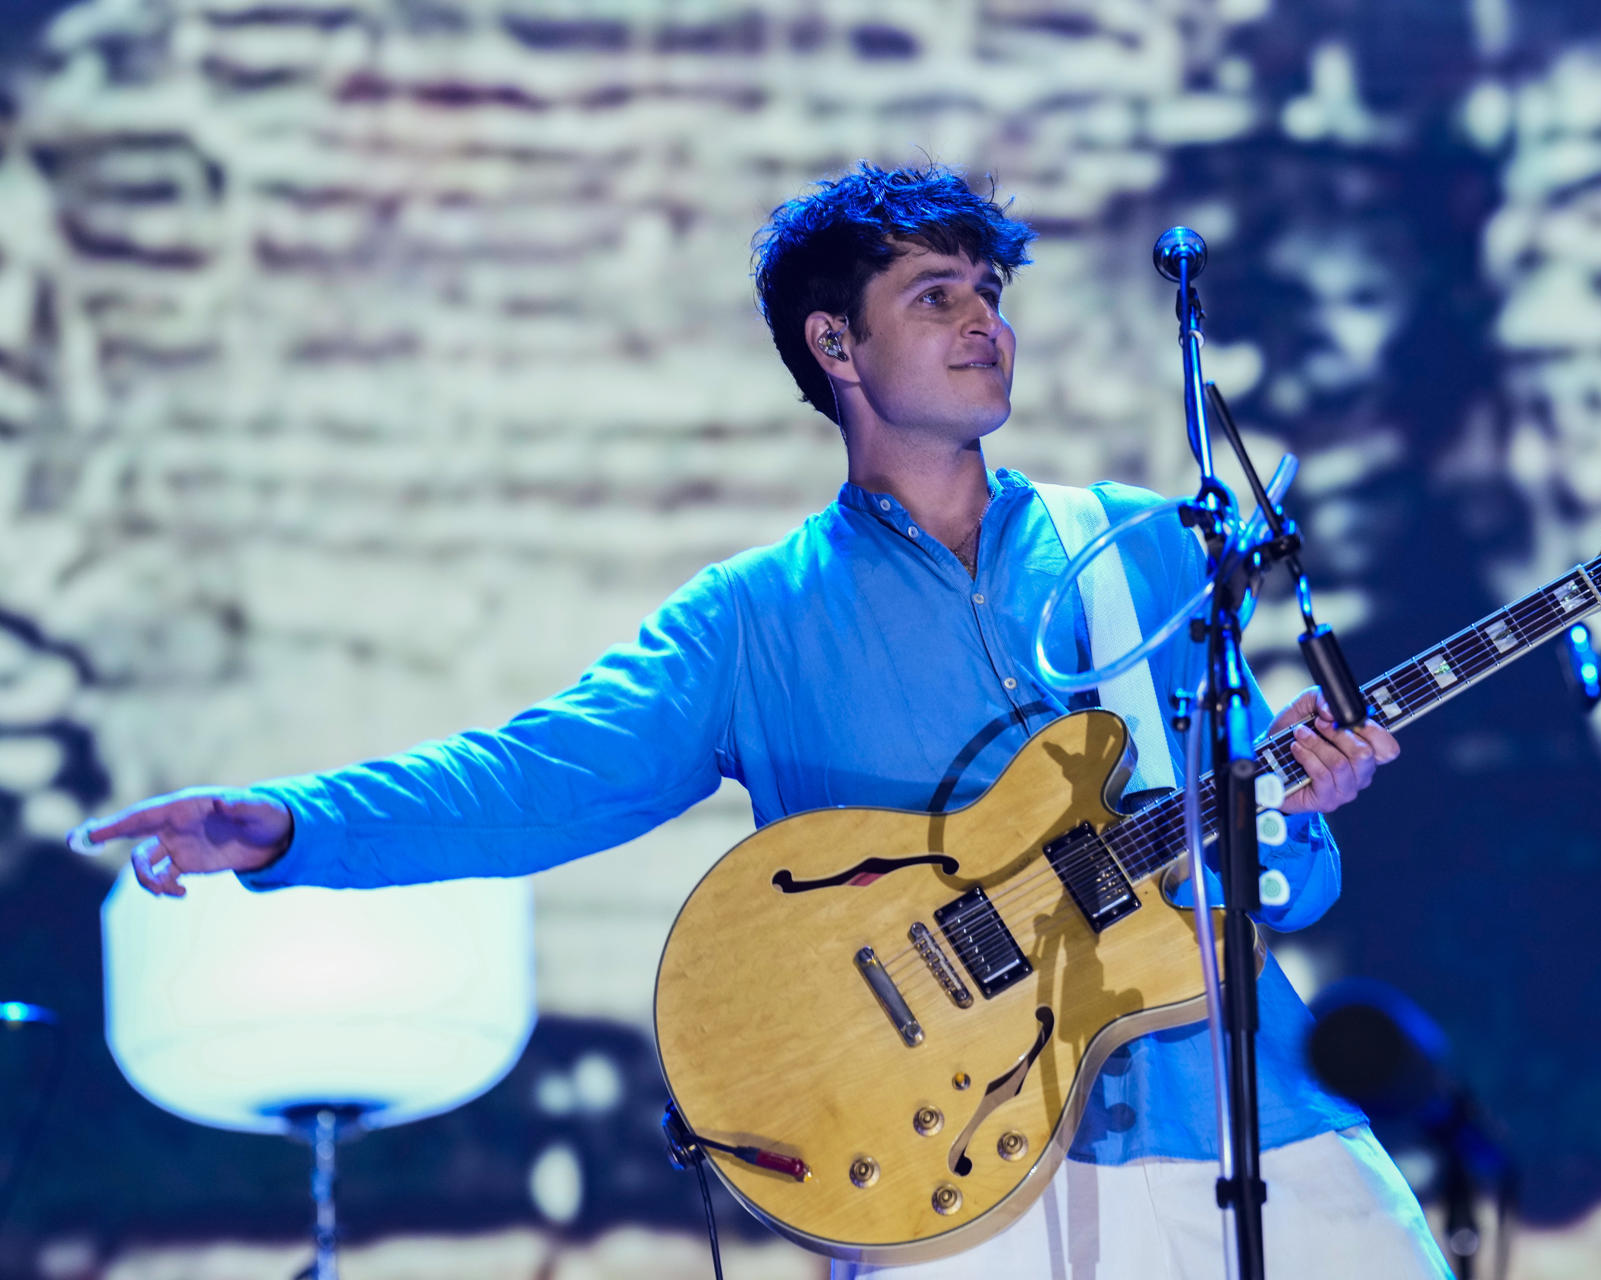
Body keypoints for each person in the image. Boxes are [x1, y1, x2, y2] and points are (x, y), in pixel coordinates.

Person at [70, 163, 1449, 1279]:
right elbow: (537, 778)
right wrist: (293, 826)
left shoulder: (1142, 546)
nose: (986, 323)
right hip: (946, 1178)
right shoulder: (753, 618)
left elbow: (1277, 872)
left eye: (990, 292)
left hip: (1246, 1122)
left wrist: (1302, 801)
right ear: (833, 343)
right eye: (936, 295)